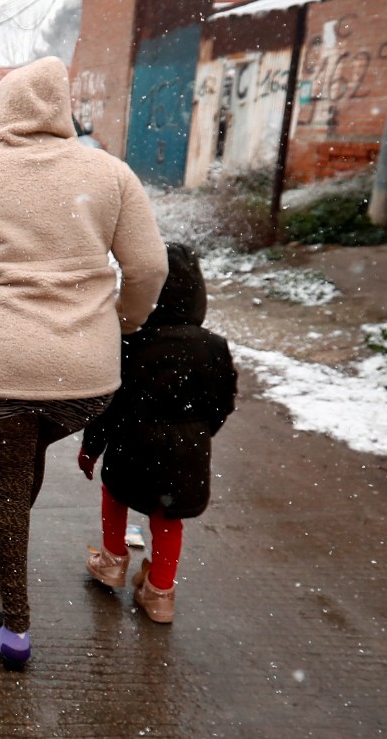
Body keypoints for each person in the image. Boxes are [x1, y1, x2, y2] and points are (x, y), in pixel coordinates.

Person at [0, 56, 169, 670]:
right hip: (82, 381)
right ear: (63, 111)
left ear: (1, 111)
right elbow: (149, 268)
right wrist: (123, 322)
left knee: (6, 483)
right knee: (21, 466)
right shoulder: (110, 175)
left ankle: (15, 630)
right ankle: (12, 536)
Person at [79, 243, 238, 624]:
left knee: (115, 494)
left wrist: (92, 445)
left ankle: (112, 561)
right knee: (168, 516)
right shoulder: (212, 347)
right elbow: (223, 402)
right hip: (186, 450)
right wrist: (198, 432)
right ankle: (160, 593)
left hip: (131, 441)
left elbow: (107, 401)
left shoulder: (129, 341)